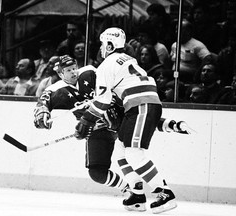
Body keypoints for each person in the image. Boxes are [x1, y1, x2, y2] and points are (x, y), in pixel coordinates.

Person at [34, 54, 190, 213]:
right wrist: (42, 115)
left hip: (116, 114)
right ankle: (131, 191)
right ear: (60, 73)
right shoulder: (56, 89)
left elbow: (109, 84)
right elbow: (43, 102)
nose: (74, 72)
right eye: (68, 70)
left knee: (132, 139)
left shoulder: (89, 72)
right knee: (97, 173)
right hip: (95, 129)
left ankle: (168, 125)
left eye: (74, 68)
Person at [74, 27, 187, 214]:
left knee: (134, 153)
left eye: (103, 44)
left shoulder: (106, 65)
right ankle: (137, 195)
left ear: (109, 45)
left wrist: (86, 120)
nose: (102, 48)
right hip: (139, 105)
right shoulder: (128, 59)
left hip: (140, 105)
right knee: (121, 151)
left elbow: (102, 100)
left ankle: (165, 193)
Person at [170, 20, 212, 84]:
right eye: (176, 29)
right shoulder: (174, 45)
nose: (177, 32)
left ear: (188, 31)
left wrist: (198, 73)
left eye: (180, 30)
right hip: (175, 75)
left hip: (189, 76)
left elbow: (208, 58)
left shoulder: (197, 45)